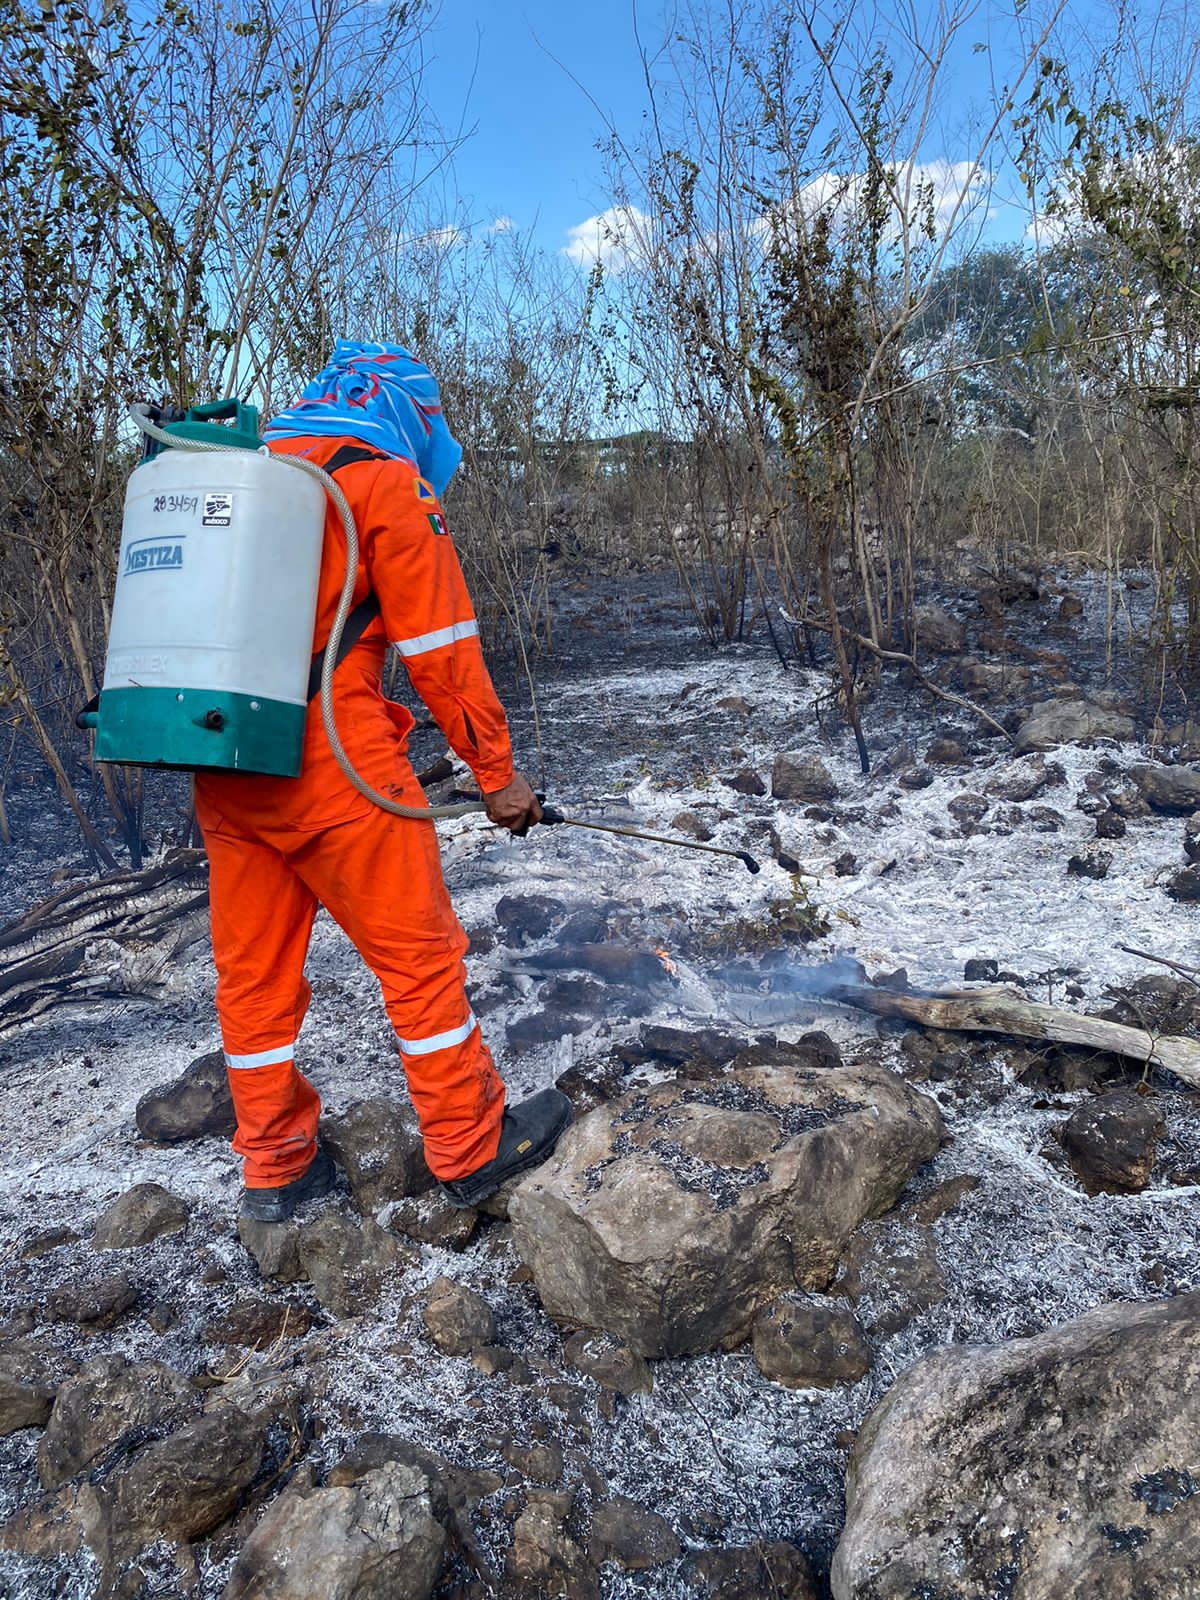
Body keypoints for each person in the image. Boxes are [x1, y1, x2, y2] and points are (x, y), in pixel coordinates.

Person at [193, 340, 572, 1223]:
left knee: (253, 977)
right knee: (419, 958)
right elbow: (441, 653)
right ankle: (472, 1146)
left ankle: (276, 1170)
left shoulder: (249, 468)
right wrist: (498, 777)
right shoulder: (382, 483)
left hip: (226, 762)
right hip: (335, 764)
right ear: (411, 414)